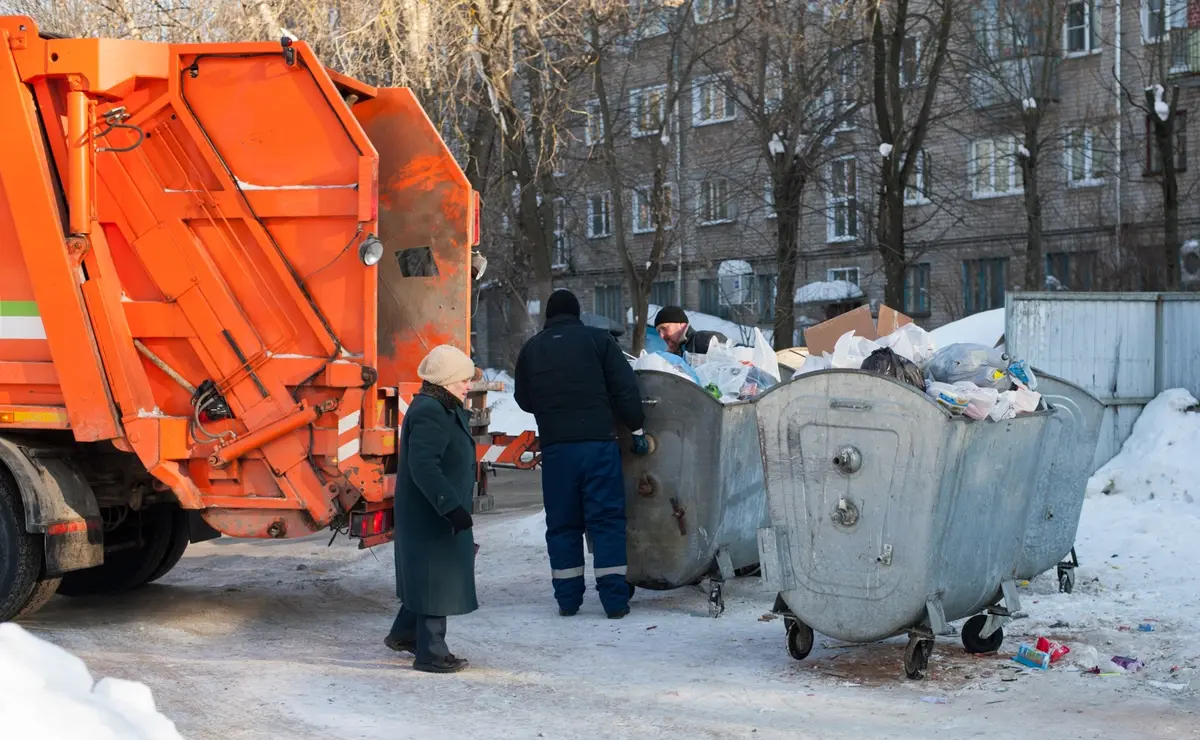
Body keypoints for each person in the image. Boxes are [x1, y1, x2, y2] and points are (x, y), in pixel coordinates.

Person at [514, 289, 650, 619]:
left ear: (548, 316)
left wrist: (550, 411)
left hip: (557, 450)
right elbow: (625, 387)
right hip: (597, 446)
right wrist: (636, 428)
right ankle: (615, 602)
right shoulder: (598, 341)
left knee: (562, 525)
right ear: (577, 314)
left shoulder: (532, 349)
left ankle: (568, 600)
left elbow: (523, 399)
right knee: (605, 522)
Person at [385, 344, 480, 673]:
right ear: (445, 379)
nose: (468, 385)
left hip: (435, 511)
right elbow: (424, 466)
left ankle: (405, 634)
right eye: (463, 380)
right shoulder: (431, 411)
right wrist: (450, 507)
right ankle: (432, 654)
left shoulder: (443, 406)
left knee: (429, 576)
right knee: (435, 580)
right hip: (432, 513)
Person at [653, 305, 727, 356]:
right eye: (659, 331)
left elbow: (734, 350)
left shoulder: (703, 340)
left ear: (682, 325)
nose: (661, 336)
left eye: (665, 328)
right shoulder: (671, 357)